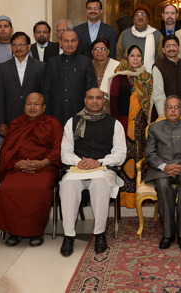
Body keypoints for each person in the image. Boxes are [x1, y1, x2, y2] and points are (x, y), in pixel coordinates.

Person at [0, 93, 63, 247]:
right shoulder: (16, 124)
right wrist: (16, 164)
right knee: (7, 189)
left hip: (44, 168)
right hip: (18, 168)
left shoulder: (52, 123)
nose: (32, 108)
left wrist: (41, 164)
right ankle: (13, 231)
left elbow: (59, 150)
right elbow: (6, 152)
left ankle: (36, 231)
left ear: (43, 108)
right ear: (24, 106)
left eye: (37, 104)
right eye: (29, 104)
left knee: (40, 189)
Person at [59, 88, 127, 257]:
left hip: (103, 169)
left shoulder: (114, 124)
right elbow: (65, 152)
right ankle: (68, 236)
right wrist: (78, 162)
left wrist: (100, 162)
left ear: (103, 101)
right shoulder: (72, 122)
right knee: (68, 184)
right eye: (91, 98)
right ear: (85, 100)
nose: (95, 101)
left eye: (98, 98)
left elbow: (120, 154)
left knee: (99, 183)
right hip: (77, 168)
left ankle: (99, 234)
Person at [145, 96, 181, 252]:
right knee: (163, 185)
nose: (173, 110)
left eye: (176, 107)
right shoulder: (154, 128)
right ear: (164, 110)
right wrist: (164, 167)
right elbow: (150, 153)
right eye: (170, 107)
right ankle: (168, 234)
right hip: (161, 169)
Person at [109, 44, 154, 208]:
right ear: (126, 57)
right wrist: (116, 127)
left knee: (141, 160)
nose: (135, 59)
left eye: (138, 56)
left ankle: (142, 195)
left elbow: (151, 104)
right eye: (132, 55)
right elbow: (113, 104)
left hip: (142, 126)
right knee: (125, 161)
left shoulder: (147, 77)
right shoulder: (118, 77)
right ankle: (125, 199)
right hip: (123, 125)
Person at [0, 32, 45, 137]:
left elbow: (44, 94)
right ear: (11, 47)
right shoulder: (3, 68)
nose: (18, 48)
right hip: (11, 120)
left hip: (34, 119)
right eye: (15, 45)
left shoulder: (40, 67)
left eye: (22, 44)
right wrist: (1, 121)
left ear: (29, 46)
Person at [43, 29, 97, 126]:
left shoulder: (86, 61)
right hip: (56, 112)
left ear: (77, 42)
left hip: (80, 111)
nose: (70, 44)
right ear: (60, 43)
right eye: (66, 41)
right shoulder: (52, 62)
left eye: (73, 41)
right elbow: (46, 90)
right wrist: (46, 114)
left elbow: (91, 88)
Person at [116, 4, 163, 72]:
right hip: (127, 77)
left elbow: (161, 58)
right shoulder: (124, 35)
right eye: (137, 14)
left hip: (150, 78)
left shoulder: (157, 35)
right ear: (133, 19)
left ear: (148, 19)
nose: (140, 17)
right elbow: (118, 56)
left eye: (144, 14)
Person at [152, 35, 181, 116]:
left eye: (174, 45)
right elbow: (158, 94)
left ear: (178, 48)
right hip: (166, 114)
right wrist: (163, 115)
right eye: (168, 46)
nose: (171, 48)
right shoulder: (158, 66)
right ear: (163, 50)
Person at [91, 38, 120, 113]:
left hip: (109, 108)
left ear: (108, 52)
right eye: (96, 49)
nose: (99, 51)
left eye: (103, 49)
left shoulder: (117, 66)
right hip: (89, 106)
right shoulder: (87, 65)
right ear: (92, 52)